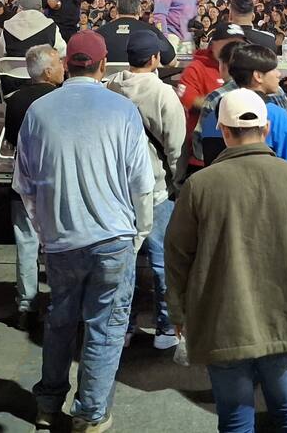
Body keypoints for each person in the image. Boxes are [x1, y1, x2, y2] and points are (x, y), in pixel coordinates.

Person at [164, 88, 287, 433]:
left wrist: (179, 312)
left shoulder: (200, 186)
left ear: (224, 132)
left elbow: (177, 254)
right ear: (267, 130)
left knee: (234, 416)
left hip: (222, 321)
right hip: (283, 316)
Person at [12, 30, 154, 432]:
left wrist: (44, 231)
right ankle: (90, 413)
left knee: (60, 320)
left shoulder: (39, 111)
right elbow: (141, 183)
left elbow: (24, 184)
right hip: (113, 238)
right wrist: (139, 232)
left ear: (66, 62)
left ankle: (47, 404)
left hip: (60, 241)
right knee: (105, 326)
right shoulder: (122, 110)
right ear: (103, 64)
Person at [108, 29, 186, 349]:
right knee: (161, 260)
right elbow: (176, 146)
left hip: (118, 186)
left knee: (124, 258)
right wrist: (178, 184)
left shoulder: (110, 86)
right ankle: (165, 327)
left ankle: (122, 324)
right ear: (155, 59)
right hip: (155, 186)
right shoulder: (163, 93)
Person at [3, 44, 64, 330]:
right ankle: (58, 301)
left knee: (26, 243)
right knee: (57, 242)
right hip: (56, 181)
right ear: (48, 71)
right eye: (59, 63)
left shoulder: (15, 100)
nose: (63, 66)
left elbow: (12, 139)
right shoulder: (61, 98)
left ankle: (26, 304)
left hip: (23, 179)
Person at [193, 38, 287, 169]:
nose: (279, 74)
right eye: (274, 69)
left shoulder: (213, 114)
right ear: (258, 76)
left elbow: (199, 151)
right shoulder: (277, 116)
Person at [176, 22, 246, 180]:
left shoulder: (244, 67)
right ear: (214, 44)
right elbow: (188, 99)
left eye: (239, 43)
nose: (235, 49)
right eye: (230, 43)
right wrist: (224, 102)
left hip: (240, 148)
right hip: (205, 152)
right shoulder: (197, 68)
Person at [98, 0, 176, 66]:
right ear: (139, 9)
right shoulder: (151, 31)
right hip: (142, 79)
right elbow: (171, 62)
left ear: (117, 10)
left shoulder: (99, 33)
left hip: (107, 79)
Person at [0, 0, 66, 58]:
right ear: (41, 9)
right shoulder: (51, 26)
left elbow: (0, 52)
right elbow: (63, 52)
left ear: (19, 8)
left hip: (13, 68)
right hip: (42, 68)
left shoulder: (8, 26)